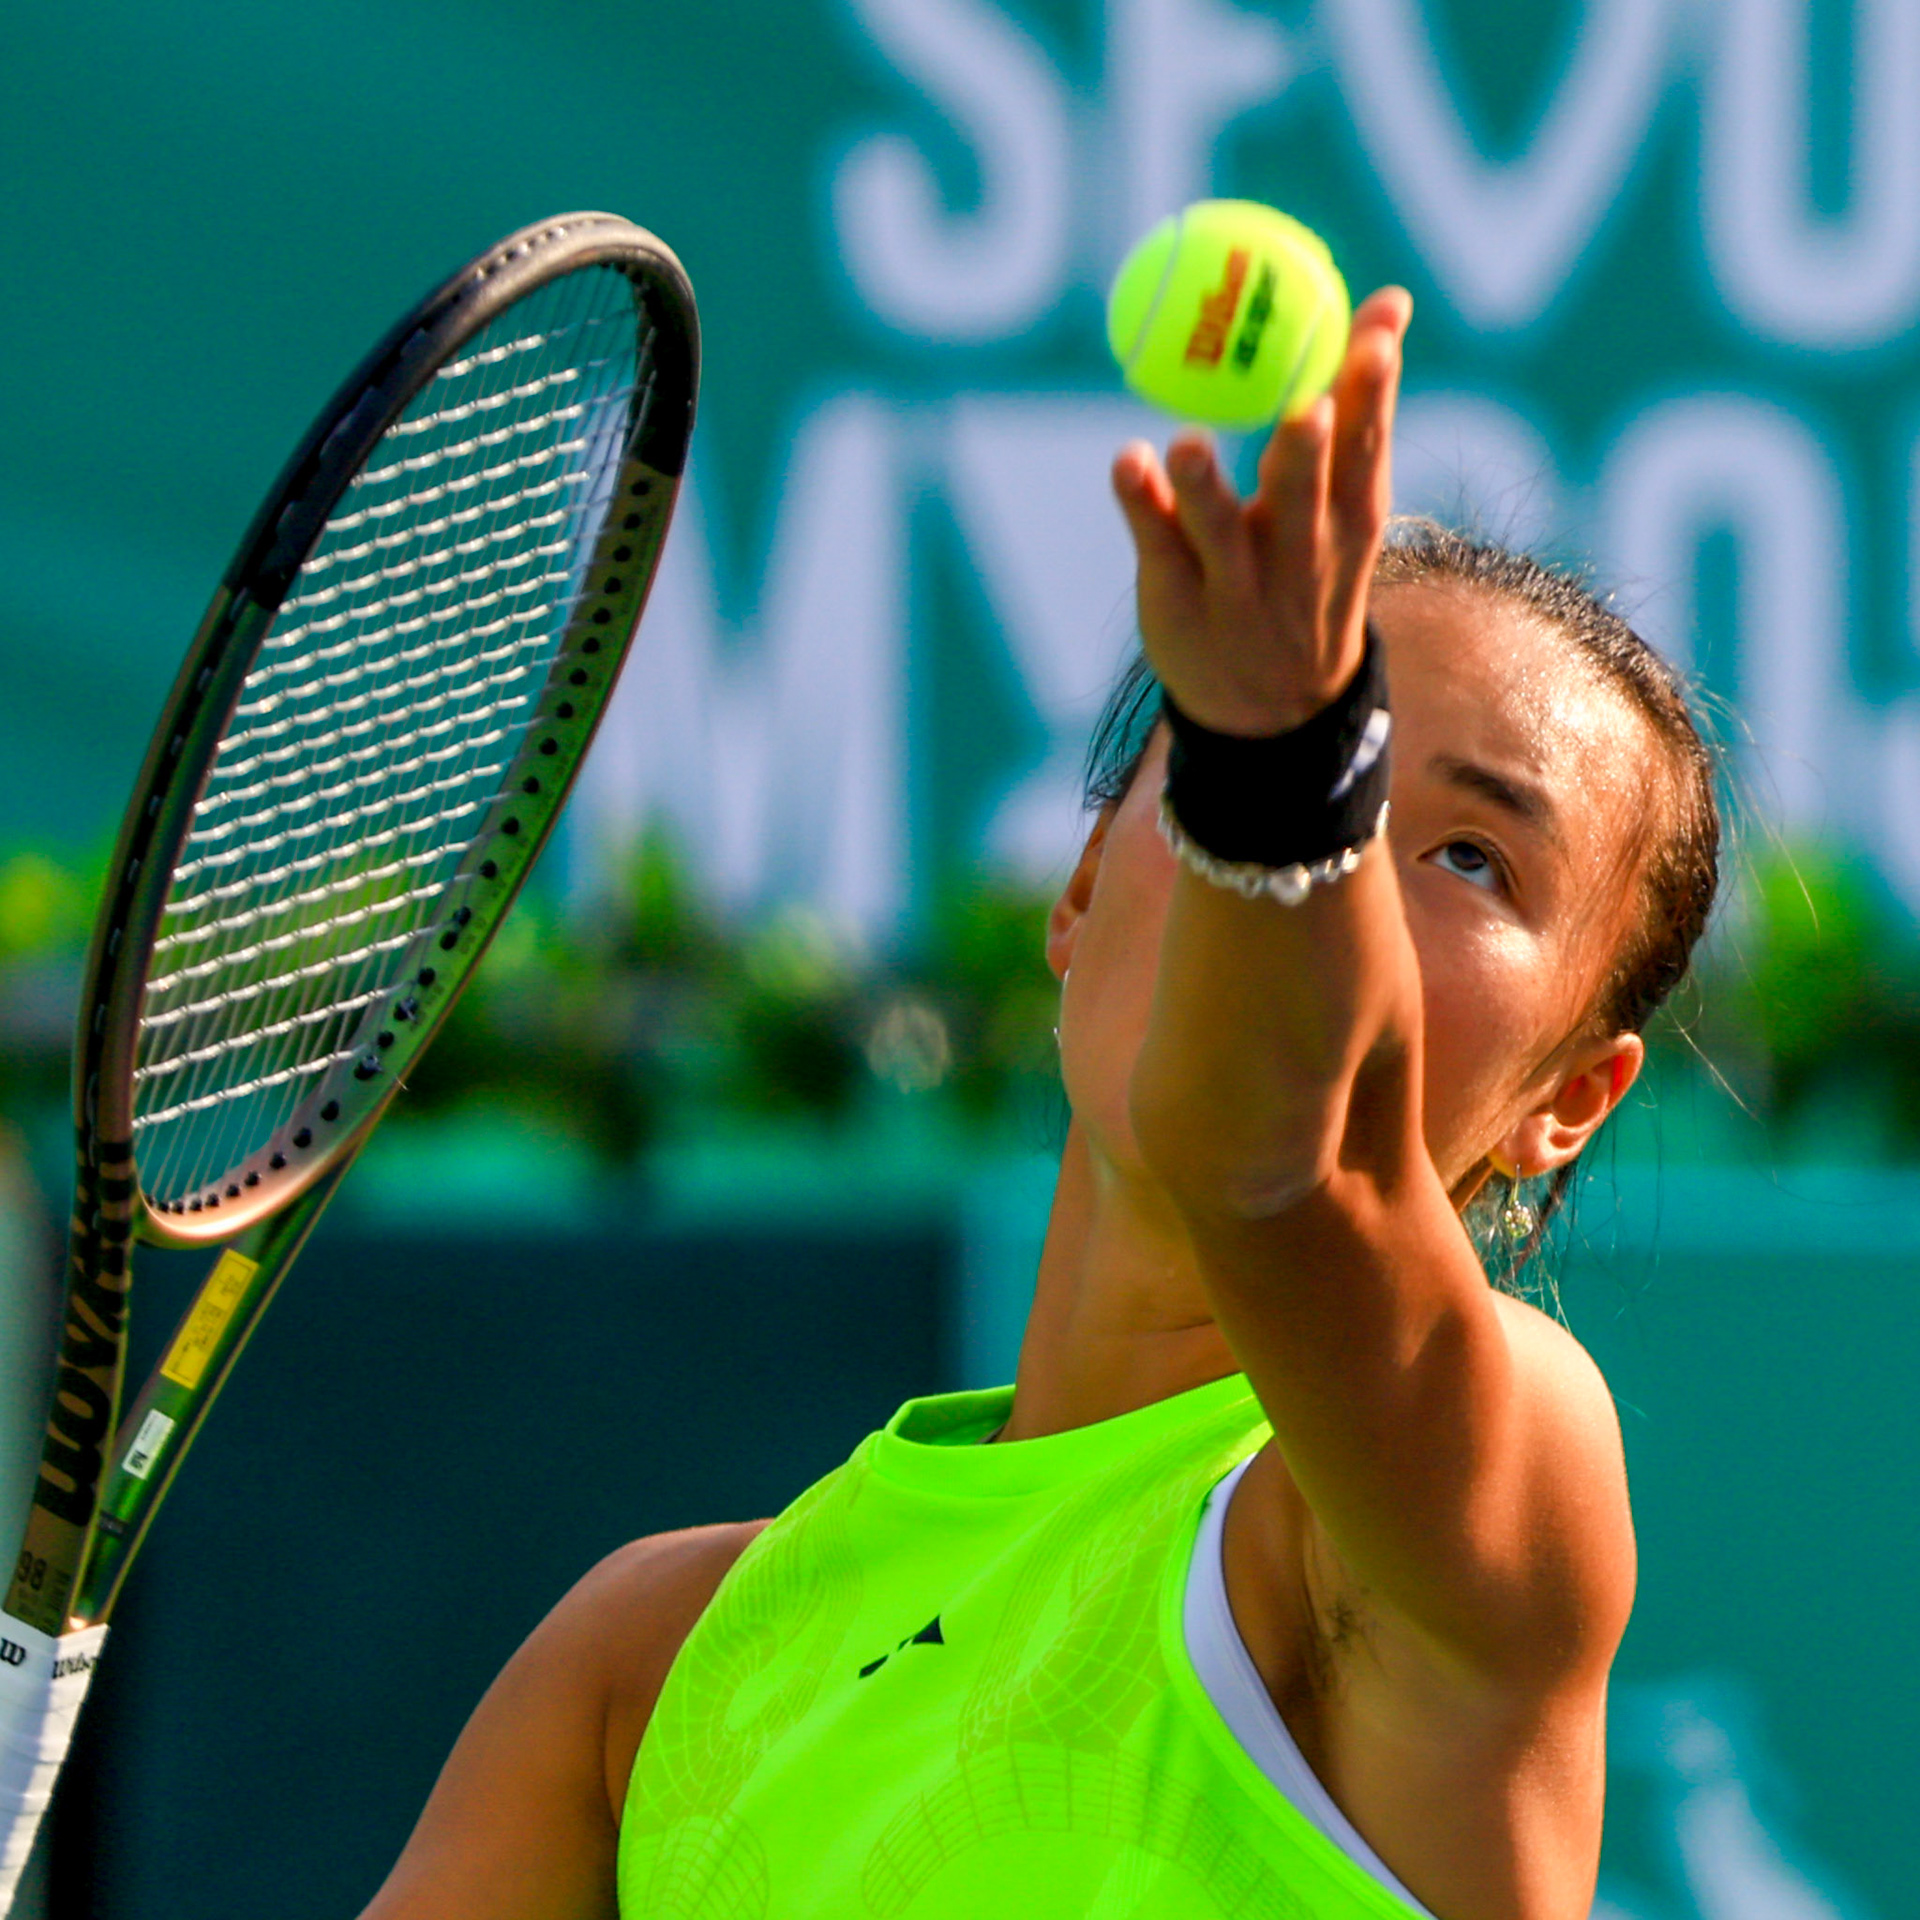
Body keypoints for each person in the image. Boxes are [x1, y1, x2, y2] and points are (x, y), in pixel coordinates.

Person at [357, 286, 1720, 1920]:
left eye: (1470, 857)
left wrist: (1284, 763)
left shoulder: (1490, 1490)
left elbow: (1283, 1162)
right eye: (1329, 777)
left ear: (1567, 1102)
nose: (1354, 868)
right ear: (1082, 891)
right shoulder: (648, 1658)